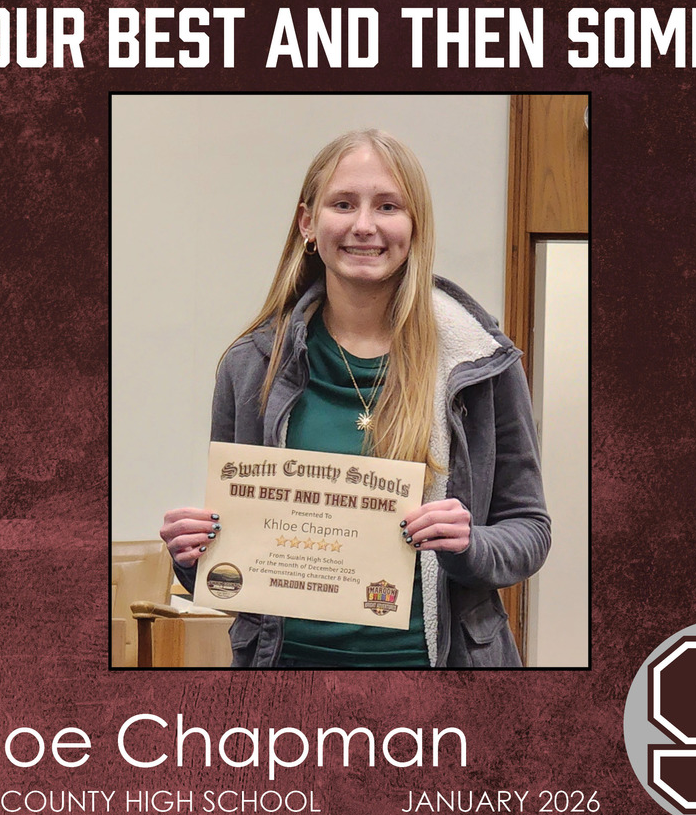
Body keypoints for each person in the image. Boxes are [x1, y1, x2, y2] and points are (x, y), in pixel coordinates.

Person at [161, 128, 550, 667]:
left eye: (388, 206)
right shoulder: (250, 366)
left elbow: (530, 529)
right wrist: (192, 555)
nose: (364, 225)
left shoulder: (480, 364)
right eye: (343, 204)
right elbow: (237, 563)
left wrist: (470, 546)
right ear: (308, 224)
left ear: (414, 228)